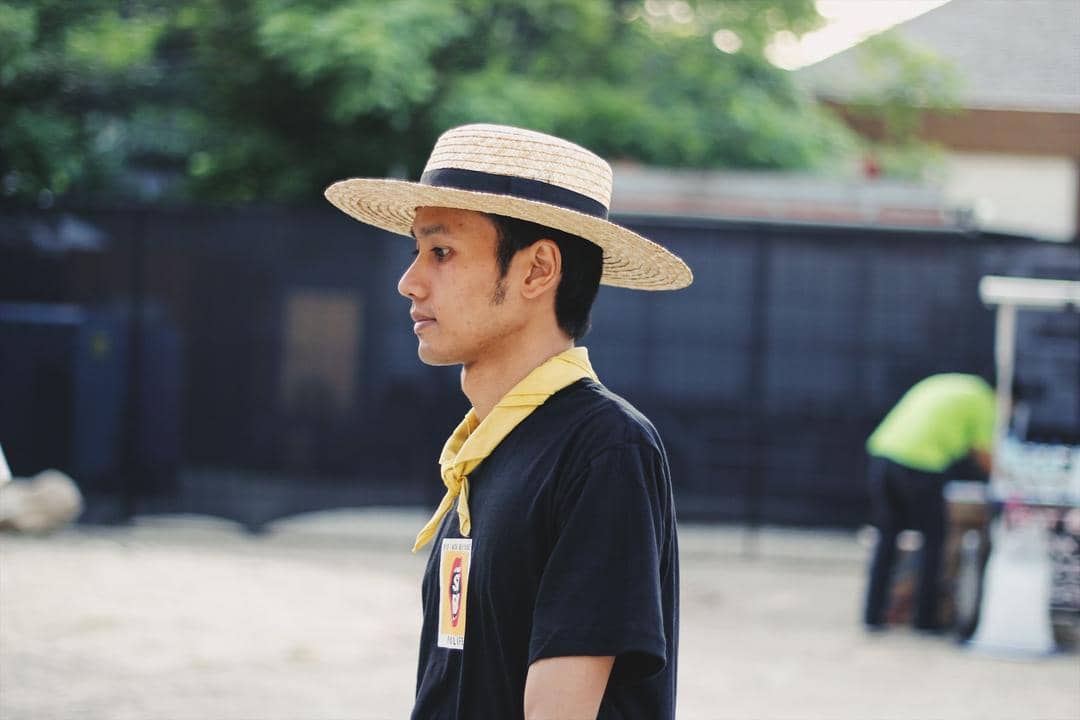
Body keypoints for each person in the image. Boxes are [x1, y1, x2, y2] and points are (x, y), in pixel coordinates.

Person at [324, 124, 691, 719]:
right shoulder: (489, 448)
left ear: (537, 270)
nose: (409, 282)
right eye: (416, 252)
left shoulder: (604, 447)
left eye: (440, 252)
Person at [862, 372, 998, 632]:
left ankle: (872, 616)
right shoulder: (984, 400)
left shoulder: (949, 384)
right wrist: (1007, 478)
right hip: (921, 464)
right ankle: (925, 620)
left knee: (887, 536)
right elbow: (983, 453)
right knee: (935, 540)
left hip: (883, 454)